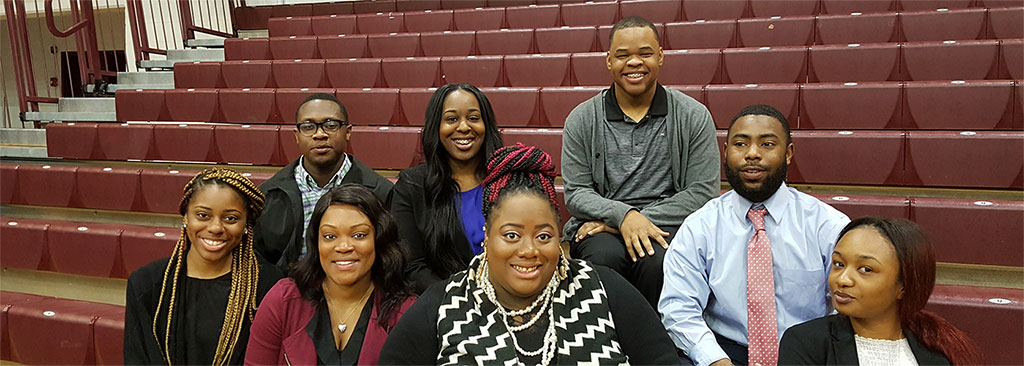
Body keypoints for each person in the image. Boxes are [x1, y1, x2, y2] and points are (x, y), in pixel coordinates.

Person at [379, 143, 678, 365]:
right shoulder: (447, 303)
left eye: (544, 236)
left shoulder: (602, 288)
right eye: (511, 235)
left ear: (560, 237)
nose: (529, 250)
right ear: (486, 235)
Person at [660, 104, 851, 366]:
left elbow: (850, 306)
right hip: (725, 352)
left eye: (767, 144)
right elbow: (678, 308)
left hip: (808, 353)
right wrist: (715, 360)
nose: (752, 154)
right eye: (740, 144)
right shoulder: (700, 226)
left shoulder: (827, 225)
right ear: (726, 153)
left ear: (788, 153)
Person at [561, 16, 720, 308]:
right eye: (623, 55)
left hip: (666, 224)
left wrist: (631, 220)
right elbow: (577, 194)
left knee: (657, 261)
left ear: (660, 56)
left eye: (644, 53)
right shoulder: (582, 119)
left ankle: (660, 346)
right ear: (609, 61)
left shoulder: (693, 116)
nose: (634, 62)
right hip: (602, 227)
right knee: (602, 260)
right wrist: (623, 217)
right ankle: (601, 343)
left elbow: (702, 193)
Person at [124, 168, 283, 365]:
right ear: (186, 217)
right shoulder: (146, 284)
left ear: (246, 225)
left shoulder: (269, 286)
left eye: (231, 218)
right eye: (202, 215)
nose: (216, 228)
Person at [244, 184, 417, 365]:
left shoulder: (406, 312)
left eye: (358, 235)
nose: (343, 247)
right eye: (329, 236)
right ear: (315, 242)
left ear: (379, 239)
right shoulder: (283, 301)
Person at [778, 217, 981, 366]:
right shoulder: (806, 342)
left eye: (865, 269)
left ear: (903, 285)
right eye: (839, 264)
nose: (842, 279)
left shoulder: (941, 347)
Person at [255, 93, 394, 271]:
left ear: (348, 132)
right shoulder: (268, 194)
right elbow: (261, 260)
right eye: (308, 126)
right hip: (288, 289)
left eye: (330, 125)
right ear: (296, 135)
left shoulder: (381, 192)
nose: (319, 134)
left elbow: (389, 257)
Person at [390, 83, 503, 293]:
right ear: (436, 127)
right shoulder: (412, 186)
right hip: (444, 304)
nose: (463, 127)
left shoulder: (508, 178)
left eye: (473, 118)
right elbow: (412, 267)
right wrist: (461, 298)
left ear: (486, 125)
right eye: (451, 119)